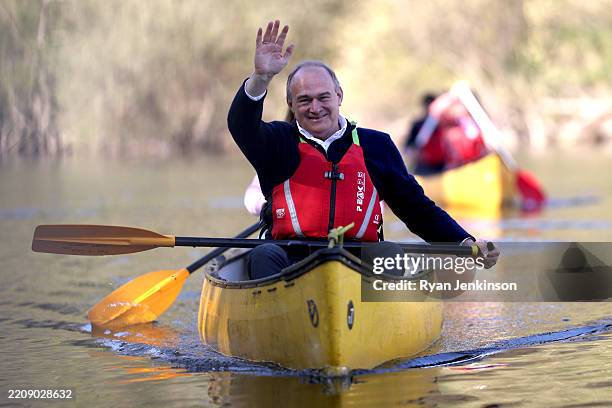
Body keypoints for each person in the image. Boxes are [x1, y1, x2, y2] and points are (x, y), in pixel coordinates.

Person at [228, 20, 499, 279]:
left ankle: (380, 316)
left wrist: (463, 242)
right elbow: (241, 125)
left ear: (339, 96)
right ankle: (282, 321)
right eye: (304, 100)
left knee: (389, 253)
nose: (315, 107)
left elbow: (416, 209)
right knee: (263, 255)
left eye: (323, 97)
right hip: (290, 257)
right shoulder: (276, 141)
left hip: (358, 260)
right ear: (290, 102)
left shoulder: (376, 146)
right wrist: (261, 78)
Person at [406, 92, 488, 174]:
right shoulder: (420, 126)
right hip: (431, 167)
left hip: (466, 164)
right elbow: (411, 147)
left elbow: (474, 135)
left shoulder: (460, 124)